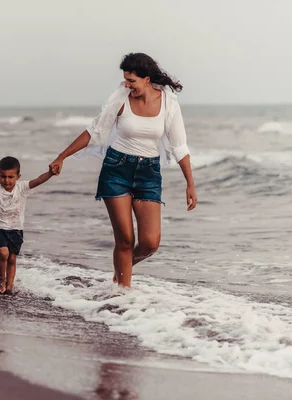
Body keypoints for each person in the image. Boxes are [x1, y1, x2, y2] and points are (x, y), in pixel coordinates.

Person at [49, 53, 197, 288]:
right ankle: (122, 296)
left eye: (132, 81)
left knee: (150, 243)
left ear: (147, 79)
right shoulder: (120, 98)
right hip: (116, 170)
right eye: (125, 80)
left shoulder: (168, 102)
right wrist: (62, 156)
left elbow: (179, 145)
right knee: (125, 240)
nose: (127, 85)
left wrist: (190, 183)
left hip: (149, 174)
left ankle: (121, 270)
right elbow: (94, 132)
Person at [0, 157, 55, 294]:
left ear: (18, 176)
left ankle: (9, 286)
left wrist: (50, 173)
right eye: (3, 176)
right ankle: (1, 280)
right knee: (3, 253)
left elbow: (38, 181)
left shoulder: (21, 188)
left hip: (16, 229)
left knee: (12, 258)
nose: (7, 180)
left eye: (11, 177)